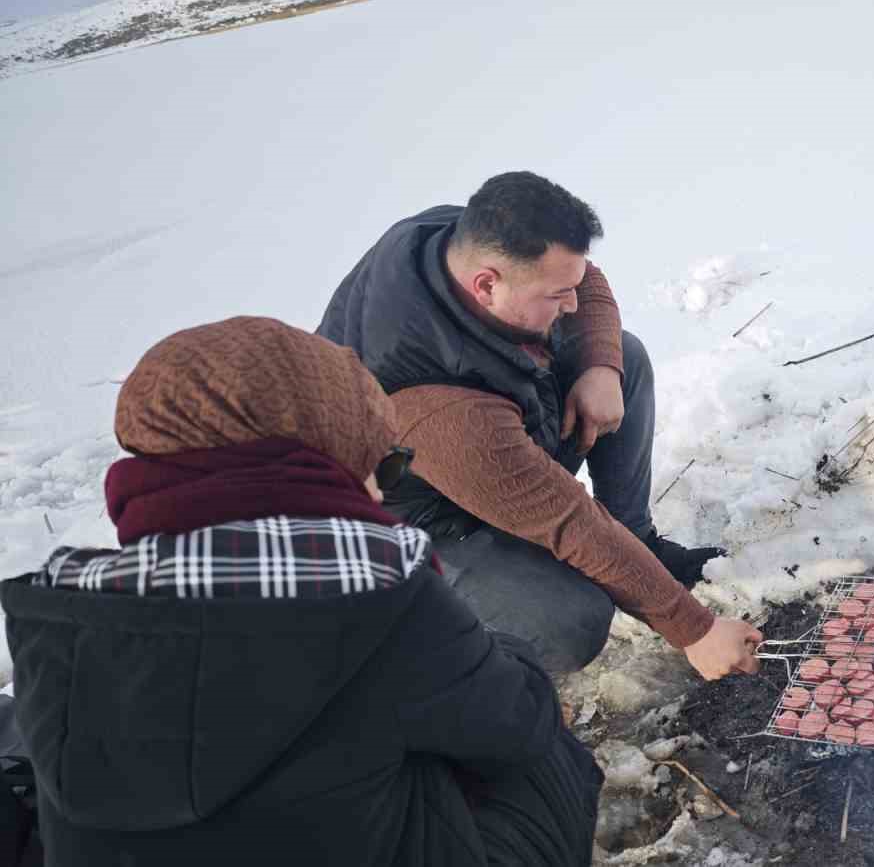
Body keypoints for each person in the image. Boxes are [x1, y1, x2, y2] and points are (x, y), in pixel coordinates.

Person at [1, 317, 601, 866]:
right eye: (382, 469)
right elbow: (517, 722)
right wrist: (493, 651)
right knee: (551, 760)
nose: (381, 493)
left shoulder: (63, 615)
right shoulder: (374, 595)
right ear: (320, 465)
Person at [317, 171, 762, 677]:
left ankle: (640, 545)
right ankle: (457, 670)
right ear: (487, 285)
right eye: (556, 295)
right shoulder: (437, 404)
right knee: (572, 621)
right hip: (409, 533)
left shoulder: (457, 239)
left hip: (485, 449)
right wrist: (696, 632)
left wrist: (599, 363)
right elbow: (569, 521)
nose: (571, 303)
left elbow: (583, 279)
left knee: (622, 357)